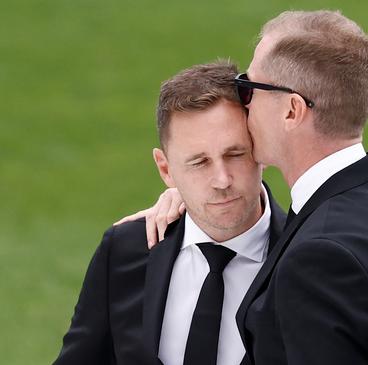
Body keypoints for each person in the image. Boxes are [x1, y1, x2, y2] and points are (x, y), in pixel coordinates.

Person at [131, 10, 368, 365]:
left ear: (292, 111)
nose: (243, 104)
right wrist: (188, 196)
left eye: (249, 89)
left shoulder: (319, 258)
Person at [54, 60, 286, 365]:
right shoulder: (125, 251)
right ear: (166, 169)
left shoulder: (305, 258)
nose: (221, 180)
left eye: (235, 154)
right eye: (199, 162)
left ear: (262, 150)